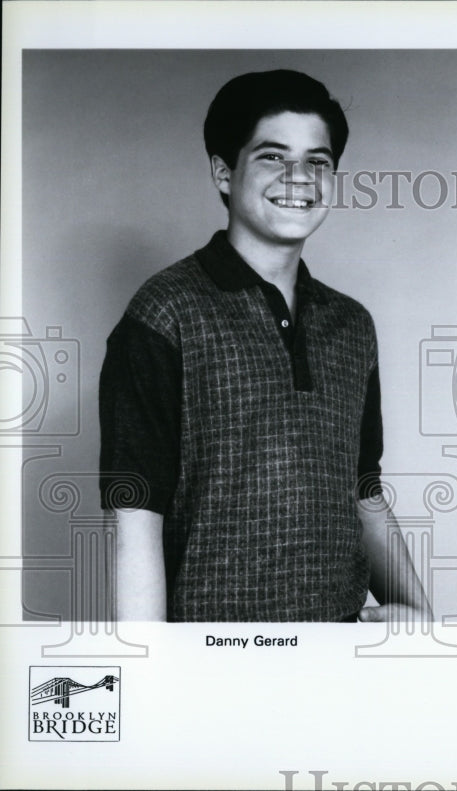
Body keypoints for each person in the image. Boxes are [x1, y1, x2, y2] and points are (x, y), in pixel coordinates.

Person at [100, 69, 430, 623]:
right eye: (273, 157)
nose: (300, 178)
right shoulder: (164, 312)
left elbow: (364, 491)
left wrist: (425, 623)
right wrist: (148, 674)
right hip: (212, 660)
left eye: (318, 161)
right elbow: (134, 514)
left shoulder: (351, 325)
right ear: (224, 173)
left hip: (338, 655)